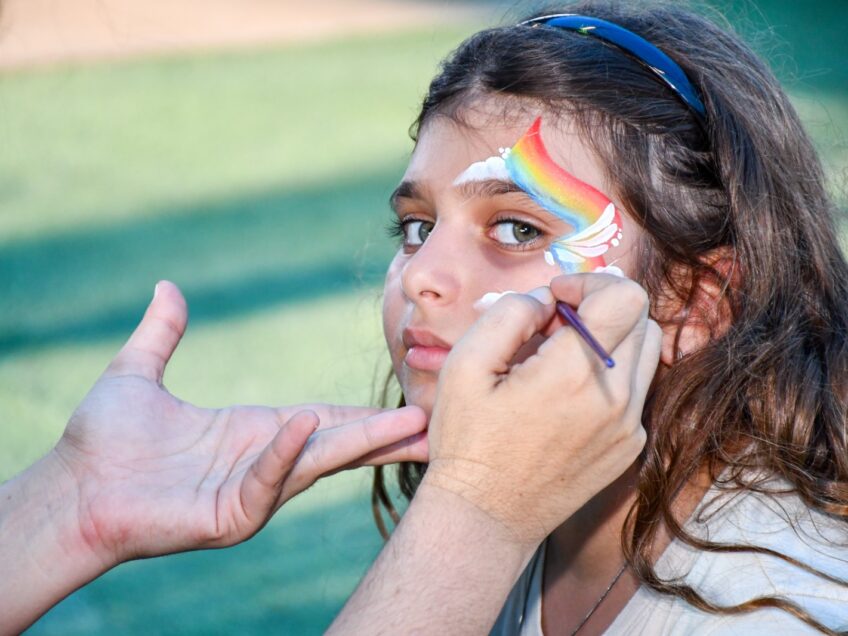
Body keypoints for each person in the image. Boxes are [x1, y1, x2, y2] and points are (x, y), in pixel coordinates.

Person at [330, 2, 848, 634]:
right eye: (418, 227)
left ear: (693, 302)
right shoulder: (526, 514)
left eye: (518, 229)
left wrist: (476, 510)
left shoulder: (781, 616)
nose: (418, 276)